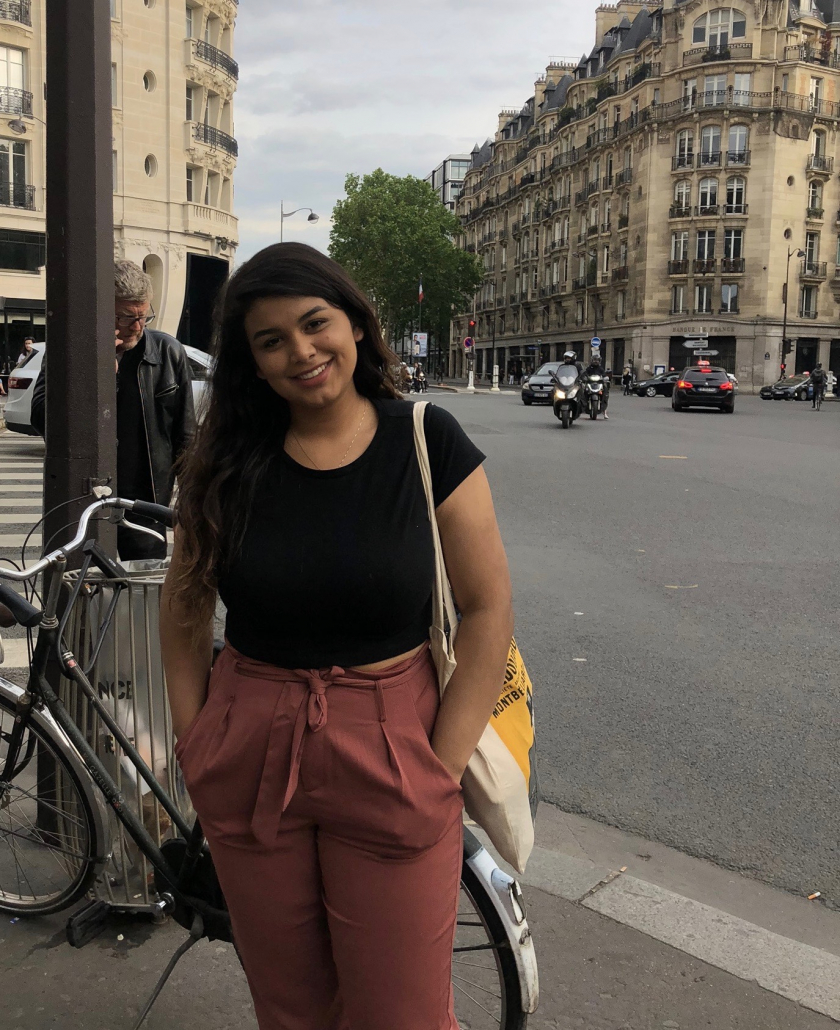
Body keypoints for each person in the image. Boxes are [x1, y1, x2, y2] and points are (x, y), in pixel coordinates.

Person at [160, 242, 513, 1030]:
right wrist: (196, 745)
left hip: (395, 741)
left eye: (315, 324)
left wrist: (440, 767)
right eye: (271, 340)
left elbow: (488, 609)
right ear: (250, 362)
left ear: (355, 322)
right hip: (249, 743)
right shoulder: (224, 461)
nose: (301, 352)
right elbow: (184, 608)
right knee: (290, 1010)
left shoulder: (426, 439)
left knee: (404, 1015)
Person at [31, 261, 195, 561]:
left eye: (144, 316)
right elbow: (40, 416)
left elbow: (186, 435)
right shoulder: (71, 349)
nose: (137, 326)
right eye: (126, 317)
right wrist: (94, 375)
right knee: (85, 588)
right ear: (102, 311)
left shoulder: (168, 352)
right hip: (85, 497)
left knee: (141, 590)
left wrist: (193, 500)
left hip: (146, 502)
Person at [583, 353, 609, 418]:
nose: (596, 361)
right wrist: (584, 377)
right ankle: (583, 406)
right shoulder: (589, 368)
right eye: (594, 360)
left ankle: (604, 409)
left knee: (605, 392)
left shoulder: (601, 368)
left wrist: (605, 378)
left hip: (599, 384)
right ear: (592, 360)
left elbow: (604, 375)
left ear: (599, 361)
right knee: (583, 391)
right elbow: (585, 374)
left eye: (597, 360)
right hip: (590, 383)